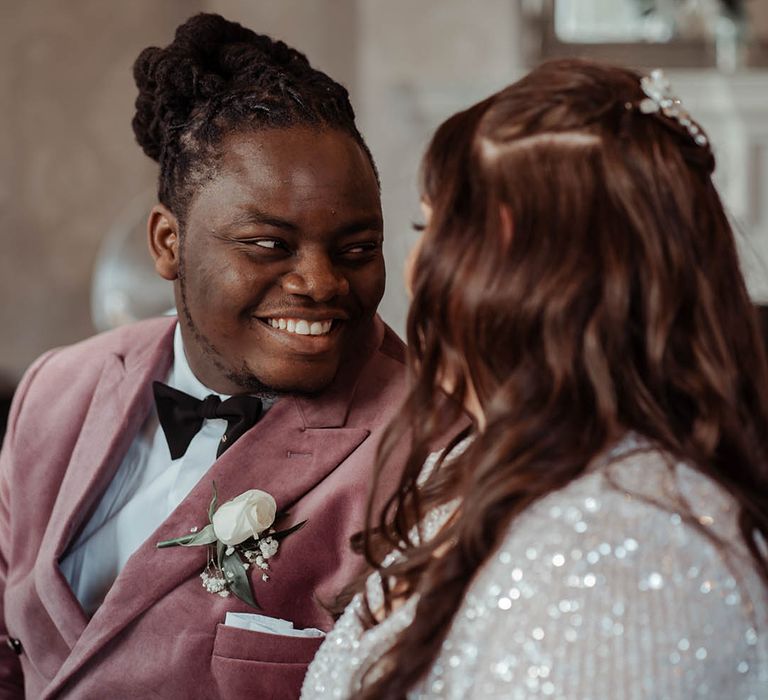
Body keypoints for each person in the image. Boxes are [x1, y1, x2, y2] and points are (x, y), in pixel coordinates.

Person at [302, 59, 768, 698]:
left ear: (511, 269)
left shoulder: (627, 552)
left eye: (428, 226)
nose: (412, 267)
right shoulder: (483, 464)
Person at [0, 13, 410, 699]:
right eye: (268, 245)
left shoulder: (428, 447)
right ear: (167, 243)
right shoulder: (56, 387)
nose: (321, 283)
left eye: (357, 249)